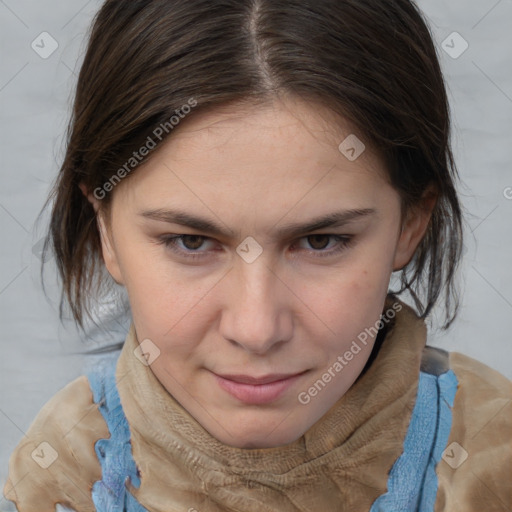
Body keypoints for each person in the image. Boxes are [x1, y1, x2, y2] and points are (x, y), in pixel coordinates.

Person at [4, 0, 511, 510]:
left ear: (411, 224)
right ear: (105, 231)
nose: (256, 329)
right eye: (191, 242)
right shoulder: (64, 471)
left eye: (320, 241)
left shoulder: (494, 456)